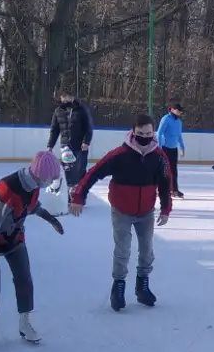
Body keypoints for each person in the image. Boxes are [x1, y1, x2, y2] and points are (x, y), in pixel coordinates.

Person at [69, 114, 172, 311]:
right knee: (123, 250)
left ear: (154, 133)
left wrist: (166, 208)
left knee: (147, 250)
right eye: (141, 133)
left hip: (146, 212)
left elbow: (166, 183)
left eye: (149, 133)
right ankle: (118, 287)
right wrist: (79, 197)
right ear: (133, 132)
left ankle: (142, 286)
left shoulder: (159, 157)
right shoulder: (119, 154)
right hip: (122, 211)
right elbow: (94, 173)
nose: (145, 136)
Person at [0, 151, 66, 346]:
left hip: (13, 238)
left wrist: (50, 218)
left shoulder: (33, 185)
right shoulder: (7, 189)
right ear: (39, 175)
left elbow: (32, 205)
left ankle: (24, 323)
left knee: (24, 278)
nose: (50, 183)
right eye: (49, 179)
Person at [46, 89, 94, 185]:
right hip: (65, 147)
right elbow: (54, 130)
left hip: (80, 147)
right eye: (62, 96)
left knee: (80, 171)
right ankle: (69, 191)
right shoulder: (58, 111)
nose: (64, 98)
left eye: (67, 95)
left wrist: (86, 142)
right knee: (68, 171)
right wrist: (50, 146)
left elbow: (88, 128)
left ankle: (80, 192)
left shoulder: (81, 109)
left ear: (72, 96)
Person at [156, 103, 186, 199]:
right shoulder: (166, 119)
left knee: (174, 170)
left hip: (174, 149)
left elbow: (179, 135)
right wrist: (159, 147)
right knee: (164, 170)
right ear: (172, 109)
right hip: (165, 148)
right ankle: (161, 189)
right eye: (178, 110)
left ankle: (174, 190)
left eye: (180, 111)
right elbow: (159, 133)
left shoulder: (179, 122)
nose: (180, 112)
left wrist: (182, 147)